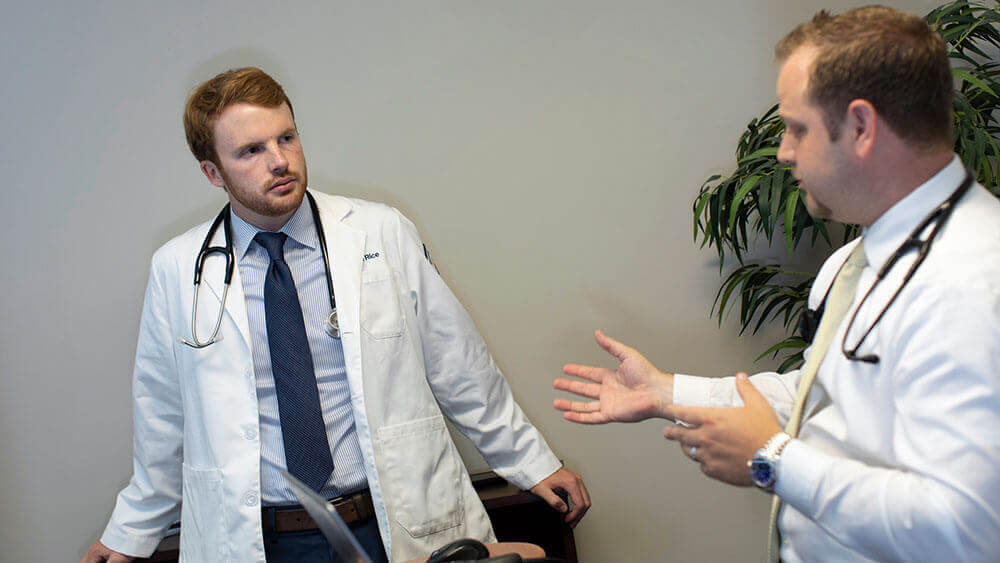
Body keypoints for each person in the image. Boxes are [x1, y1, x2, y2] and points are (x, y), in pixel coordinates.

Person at [82, 67, 589, 563]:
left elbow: (459, 367)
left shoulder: (379, 232)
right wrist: (129, 531)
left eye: (286, 138)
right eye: (251, 151)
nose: (279, 161)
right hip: (263, 539)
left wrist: (532, 463)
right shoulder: (176, 268)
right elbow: (162, 416)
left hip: (387, 523)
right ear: (212, 171)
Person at [554, 6, 999, 562]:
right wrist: (667, 393)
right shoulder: (855, 261)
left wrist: (773, 459)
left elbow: (965, 529)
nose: (784, 151)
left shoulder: (971, 282)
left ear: (861, 127)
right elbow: (818, 395)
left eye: (797, 128)